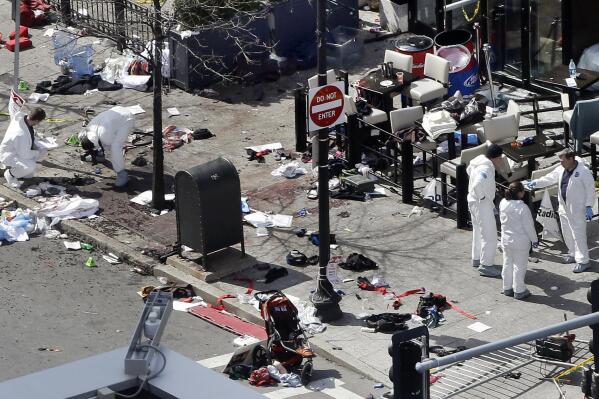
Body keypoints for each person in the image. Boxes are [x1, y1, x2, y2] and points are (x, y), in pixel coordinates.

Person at [527, 149, 595, 273]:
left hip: (577, 209)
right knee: (567, 232)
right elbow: (550, 178)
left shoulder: (583, 172)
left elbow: (590, 189)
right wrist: (536, 183)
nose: (560, 163)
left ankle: (584, 261)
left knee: (578, 235)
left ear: (570, 159)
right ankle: (573, 253)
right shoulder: (561, 169)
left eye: (562, 160)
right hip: (564, 207)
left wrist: (589, 206)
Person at [467, 143, 504, 277]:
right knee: (490, 236)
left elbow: (468, 171)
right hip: (481, 204)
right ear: (497, 157)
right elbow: (477, 184)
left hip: (472, 202)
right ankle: (486, 265)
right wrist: (483, 198)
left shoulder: (477, 162)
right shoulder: (486, 168)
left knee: (478, 232)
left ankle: (476, 259)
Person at [499, 182, 539, 300]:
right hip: (520, 241)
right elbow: (529, 227)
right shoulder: (523, 208)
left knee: (507, 263)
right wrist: (534, 240)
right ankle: (519, 290)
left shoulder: (503, 203)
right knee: (519, 266)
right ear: (520, 193)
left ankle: (507, 287)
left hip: (506, 240)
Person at [78, 106, 135, 188]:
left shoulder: (105, 136)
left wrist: (99, 151)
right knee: (105, 143)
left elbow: (109, 147)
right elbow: (98, 142)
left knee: (115, 147)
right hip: (118, 110)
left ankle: (122, 174)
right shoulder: (90, 127)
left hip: (127, 119)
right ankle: (100, 155)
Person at [0, 107, 47, 187]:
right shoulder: (21, 134)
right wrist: (38, 152)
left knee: (41, 152)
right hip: (9, 155)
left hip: (18, 149)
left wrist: (36, 135)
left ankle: (22, 172)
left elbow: (29, 130)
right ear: (36, 121)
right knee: (30, 166)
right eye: (39, 122)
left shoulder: (23, 118)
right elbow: (24, 154)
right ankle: (10, 174)